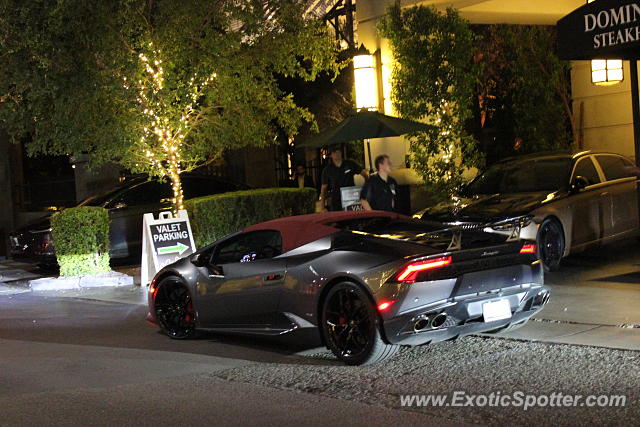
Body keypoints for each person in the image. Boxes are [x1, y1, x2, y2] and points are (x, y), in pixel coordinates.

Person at [319, 146, 368, 211]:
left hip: (351, 198)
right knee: (338, 219)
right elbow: (323, 189)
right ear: (331, 155)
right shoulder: (327, 170)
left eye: (338, 151)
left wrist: (366, 189)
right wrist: (322, 207)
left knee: (352, 218)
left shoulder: (350, 164)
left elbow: (364, 174)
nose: (337, 153)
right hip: (336, 200)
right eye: (334, 152)